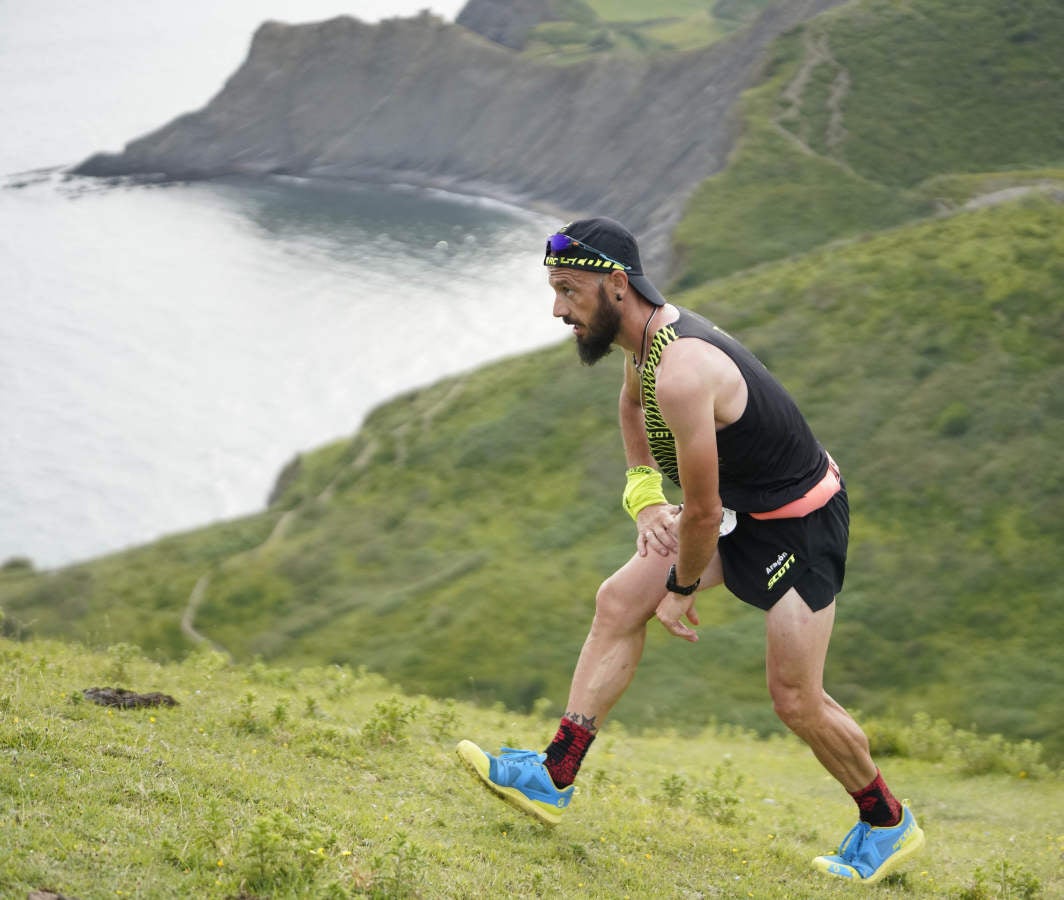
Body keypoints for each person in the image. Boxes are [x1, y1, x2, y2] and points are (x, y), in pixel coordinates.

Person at [456, 217, 925, 884]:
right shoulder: (643, 343)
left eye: (568, 291)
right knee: (619, 599)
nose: (558, 310)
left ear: (615, 284)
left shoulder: (681, 368)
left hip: (801, 526)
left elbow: (702, 513)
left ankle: (887, 823)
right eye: (555, 292)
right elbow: (630, 407)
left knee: (796, 700)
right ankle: (553, 776)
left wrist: (679, 591)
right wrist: (644, 495)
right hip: (744, 506)